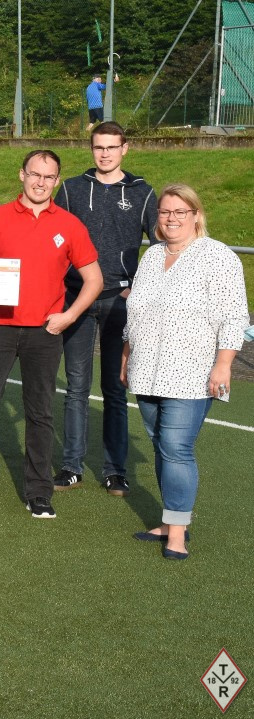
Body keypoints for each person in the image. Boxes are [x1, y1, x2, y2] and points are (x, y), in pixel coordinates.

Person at [0, 150, 101, 519]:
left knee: (40, 414)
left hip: (45, 331)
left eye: (48, 177)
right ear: (21, 174)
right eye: (34, 174)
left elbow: (94, 279)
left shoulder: (70, 225)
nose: (40, 182)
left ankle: (38, 493)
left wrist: (69, 316)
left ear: (57, 180)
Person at [122, 184, 247, 560]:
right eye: (165, 211)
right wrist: (126, 355)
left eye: (180, 211)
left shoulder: (218, 256)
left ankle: (177, 533)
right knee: (161, 444)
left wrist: (223, 364)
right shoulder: (152, 255)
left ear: (196, 215)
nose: (171, 218)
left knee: (176, 448)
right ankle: (170, 520)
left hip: (191, 372)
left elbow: (233, 316)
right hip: (147, 368)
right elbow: (136, 311)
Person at [54, 122, 157, 497]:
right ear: (92, 148)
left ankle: (115, 471)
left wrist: (138, 287)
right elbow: (53, 237)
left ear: (125, 148)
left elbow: (160, 247)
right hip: (77, 297)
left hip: (119, 301)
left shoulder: (143, 192)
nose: (105, 154)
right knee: (77, 387)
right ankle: (71, 466)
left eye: (112, 147)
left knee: (115, 389)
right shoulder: (71, 189)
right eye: (99, 147)